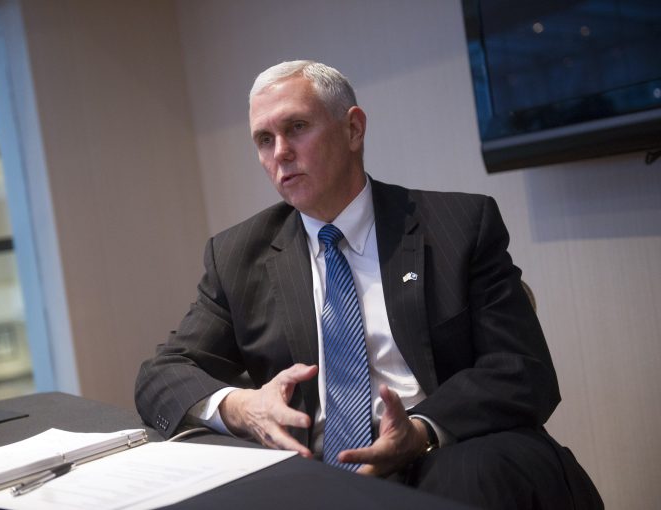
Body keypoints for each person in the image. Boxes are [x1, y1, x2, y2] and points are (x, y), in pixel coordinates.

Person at [135, 60, 602, 509]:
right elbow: (163, 373)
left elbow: (522, 368)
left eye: (297, 127)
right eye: (263, 138)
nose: (280, 152)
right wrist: (242, 407)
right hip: (311, 474)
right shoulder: (238, 255)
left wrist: (418, 431)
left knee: (475, 476)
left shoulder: (457, 226)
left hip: (445, 453)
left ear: (353, 129)